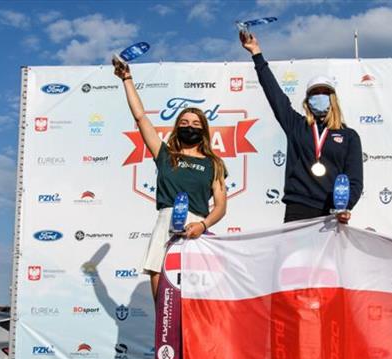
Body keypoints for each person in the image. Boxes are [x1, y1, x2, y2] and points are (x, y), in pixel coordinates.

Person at [113, 57, 227, 300]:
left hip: (196, 230)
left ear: (204, 130)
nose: (190, 126)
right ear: (177, 127)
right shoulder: (164, 154)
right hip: (165, 227)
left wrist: (203, 225)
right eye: (184, 122)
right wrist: (127, 79)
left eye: (196, 123)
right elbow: (141, 117)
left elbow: (220, 206)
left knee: (194, 308)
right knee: (164, 310)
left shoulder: (213, 163)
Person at [240, 32, 363, 223]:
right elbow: (275, 96)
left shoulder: (349, 136)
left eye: (324, 92)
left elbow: (354, 179)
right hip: (297, 208)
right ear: (307, 100)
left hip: (333, 211)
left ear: (333, 99)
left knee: (329, 255)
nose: (319, 96)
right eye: (314, 93)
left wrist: (347, 206)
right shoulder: (297, 125)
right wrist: (257, 54)